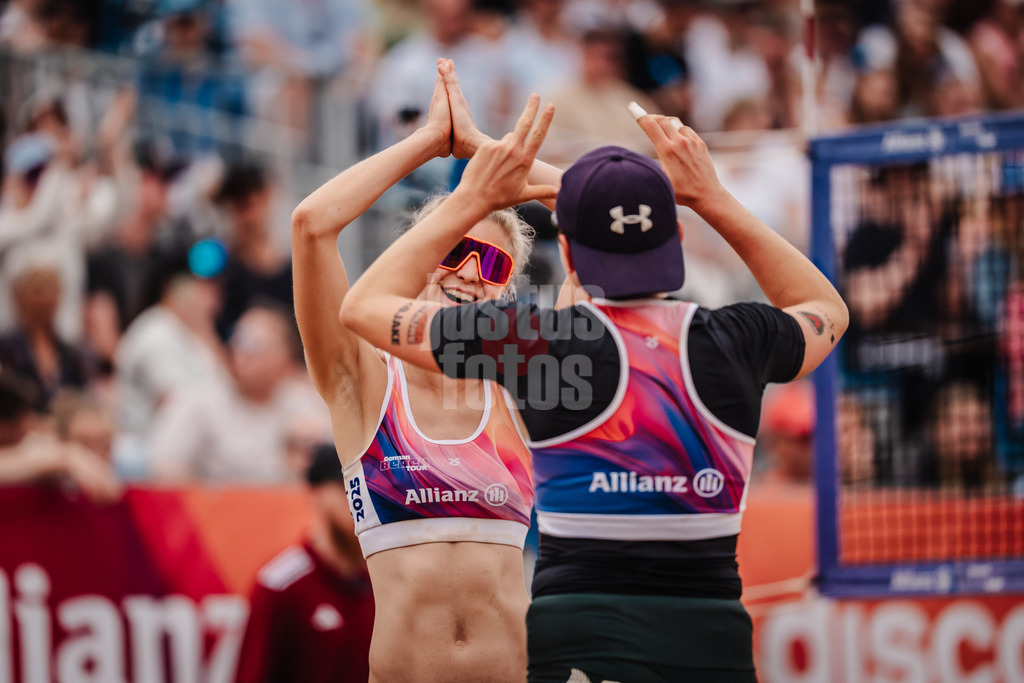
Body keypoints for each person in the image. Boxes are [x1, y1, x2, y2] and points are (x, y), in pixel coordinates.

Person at [342, 61, 848, 681]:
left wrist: (476, 183)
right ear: (677, 241)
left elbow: (364, 307)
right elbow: (827, 310)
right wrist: (709, 198)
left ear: (569, 253)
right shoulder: (731, 340)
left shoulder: (537, 346)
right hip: (705, 643)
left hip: (579, 639)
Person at [290, 60, 537, 682]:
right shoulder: (362, 380)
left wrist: (484, 154)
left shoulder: (523, 387)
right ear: (419, 258)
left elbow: (604, 225)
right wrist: (429, 141)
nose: (472, 274)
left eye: (494, 265)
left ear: (507, 291)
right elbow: (311, 225)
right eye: (454, 249)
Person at [234, 443, 374, 683]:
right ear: (316, 493)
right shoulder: (280, 586)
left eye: (371, 488)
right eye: (349, 486)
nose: (361, 499)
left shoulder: (382, 584)